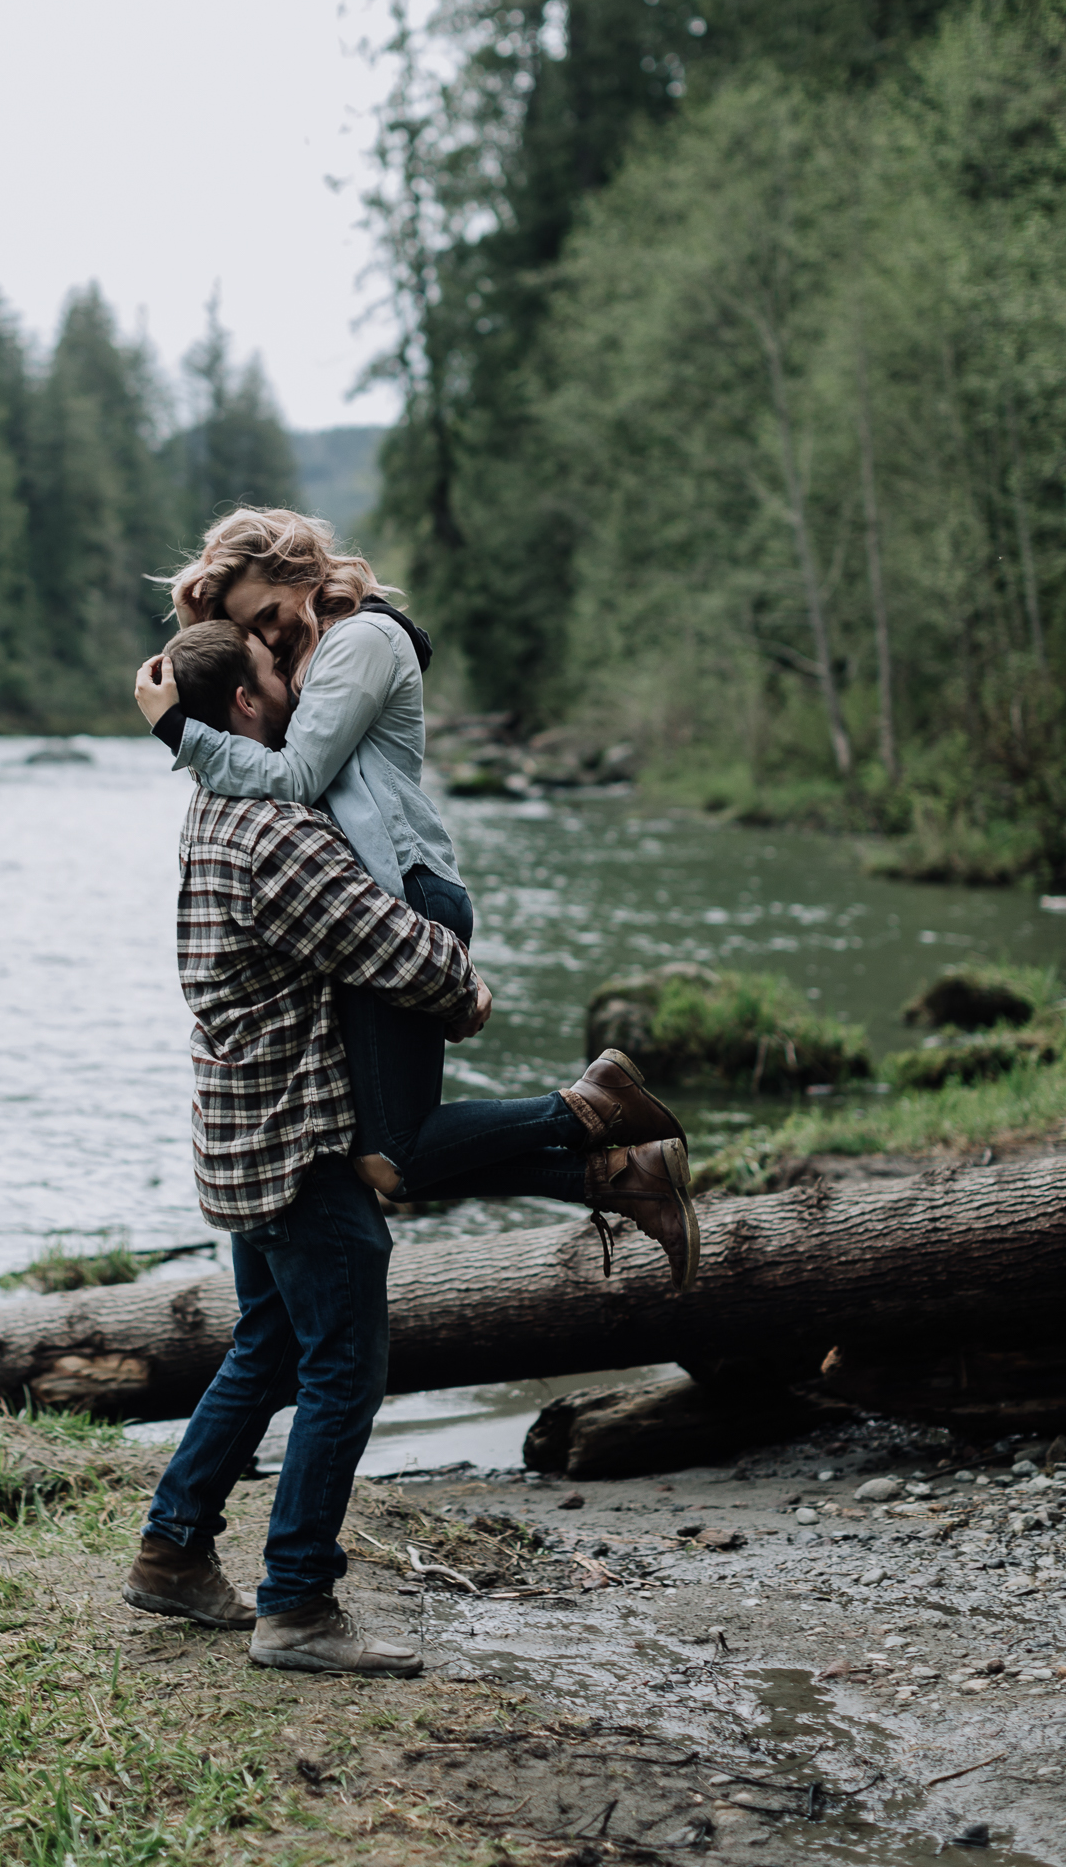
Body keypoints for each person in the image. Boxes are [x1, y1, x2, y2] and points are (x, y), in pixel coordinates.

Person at [123, 622, 697, 1677]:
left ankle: (171, 1552)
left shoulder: (213, 807)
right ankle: (296, 1606)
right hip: (299, 1147)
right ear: (248, 708)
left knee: (268, 1348)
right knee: (343, 1374)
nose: (295, 685)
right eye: (276, 675)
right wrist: (463, 978)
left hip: (243, 1134)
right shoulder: (276, 834)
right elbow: (399, 950)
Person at [133, 506, 690, 1225]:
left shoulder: (362, 639)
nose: (266, 636)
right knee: (387, 1163)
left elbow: (292, 773)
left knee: (396, 1156)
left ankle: (590, 1109)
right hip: (370, 899)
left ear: (300, 572)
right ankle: (622, 1176)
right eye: (254, 628)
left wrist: (178, 728)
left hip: (405, 895)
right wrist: (194, 635)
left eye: (268, 614)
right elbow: (236, 700)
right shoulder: (308, 652)